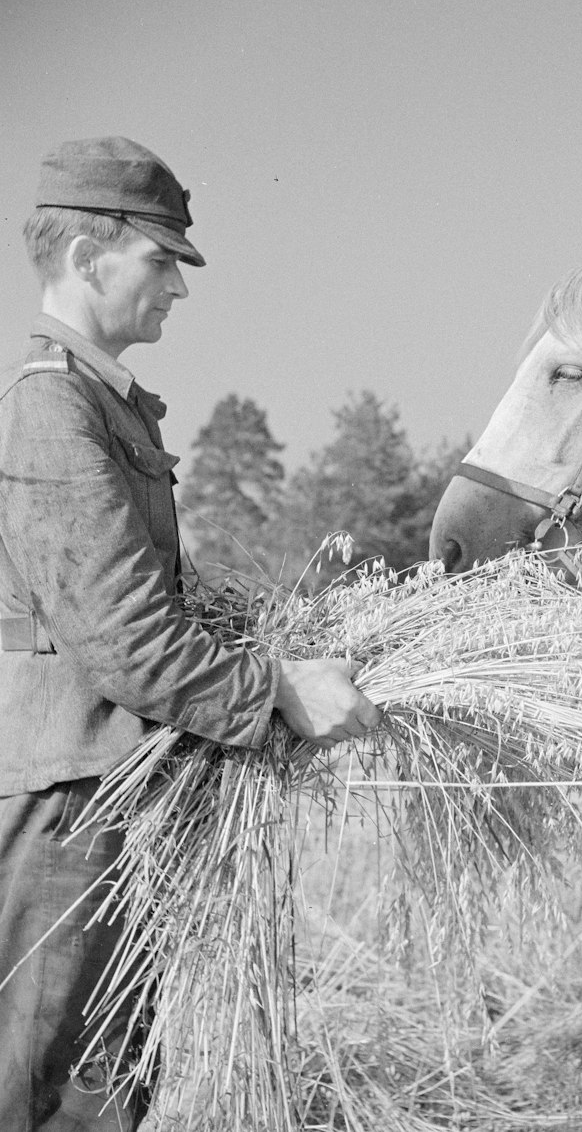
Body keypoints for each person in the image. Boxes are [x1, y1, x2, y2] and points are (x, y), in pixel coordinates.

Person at [0, 136, 382, 1130]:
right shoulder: (49, 411)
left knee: (105, 1082)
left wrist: (270, 636)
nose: (178, 286)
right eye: (160, 259)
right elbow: (127, 639)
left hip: (96, 796)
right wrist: (280, 692)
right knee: (46, 1096)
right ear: (89, 258)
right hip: (61, 806)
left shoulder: (100, 405)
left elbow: (149, 598)